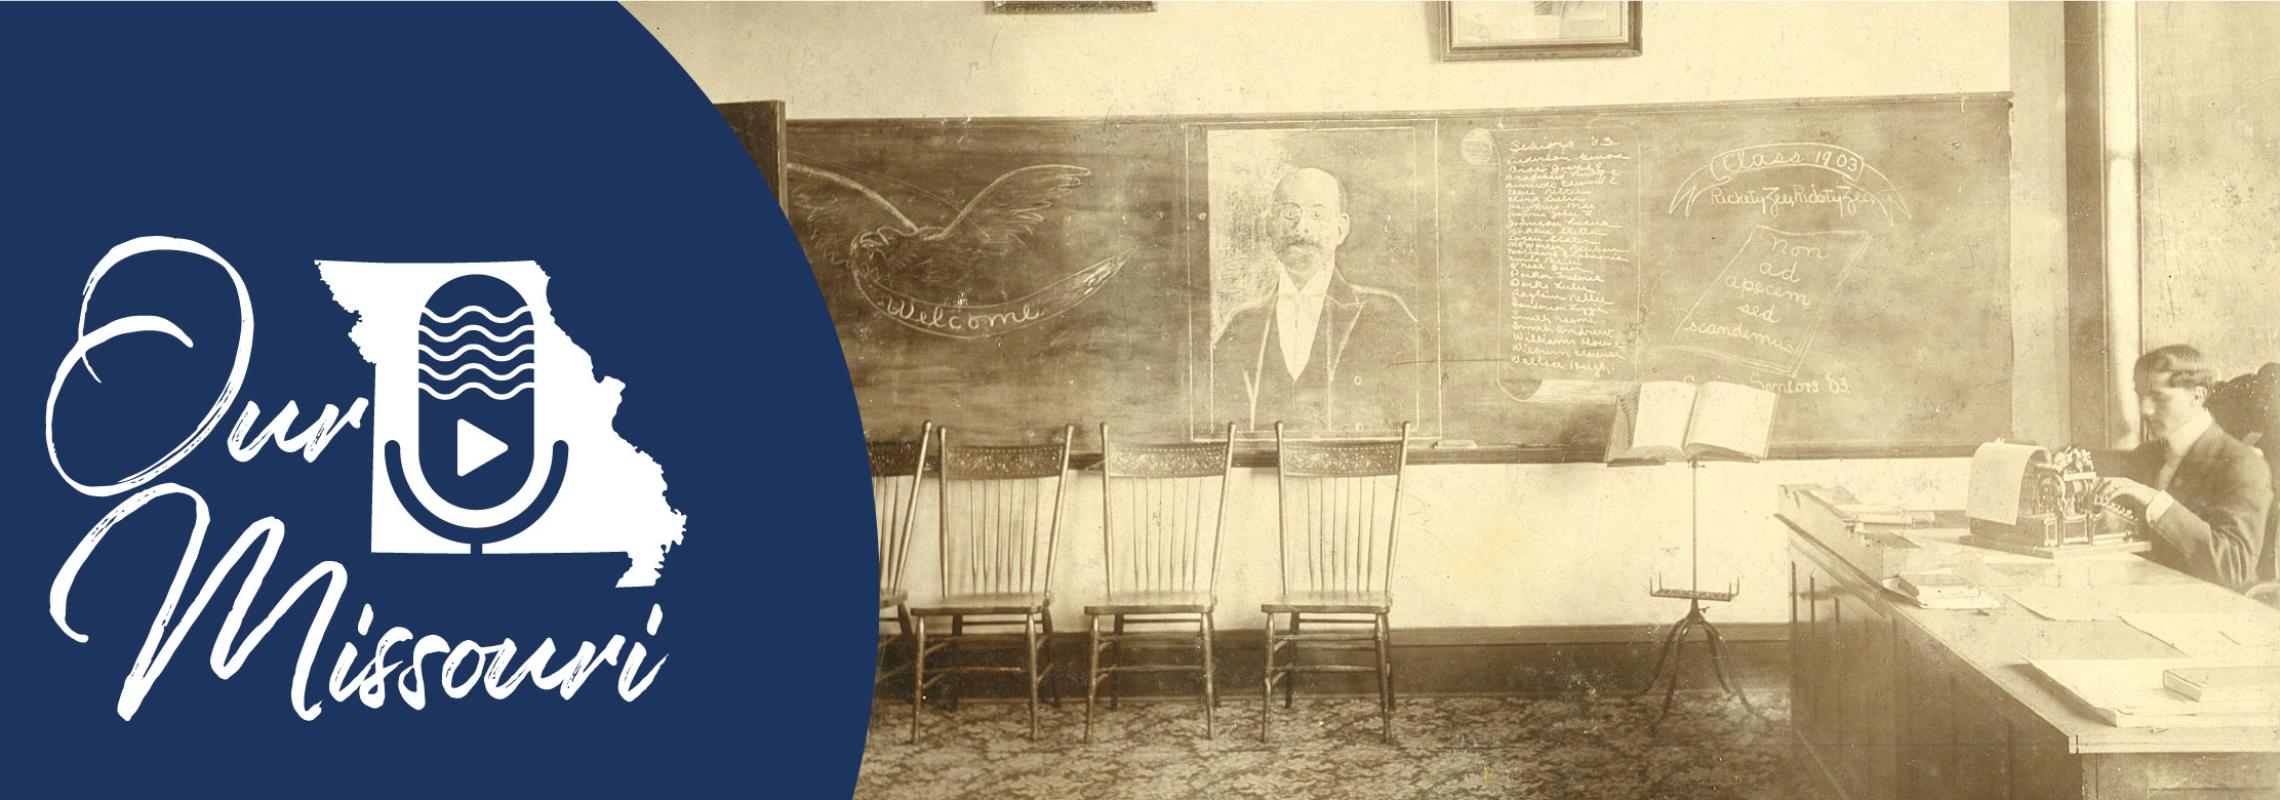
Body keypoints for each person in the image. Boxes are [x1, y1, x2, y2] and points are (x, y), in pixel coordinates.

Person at [1211, 167, 1420, 433]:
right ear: (1269, 226)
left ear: (1341, 229)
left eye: (1318, 214)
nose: (1302, 227)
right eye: (1290, 214)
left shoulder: (1388, 316)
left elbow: (1414, 420)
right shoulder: (1240, 326)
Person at [2096, 344, 2273, 592]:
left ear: (2197, 396)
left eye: (2158, 397)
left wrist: (2155, 502)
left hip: (2213, 611)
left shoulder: (2242, 464)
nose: (2145, 410)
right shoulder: (2148, 455)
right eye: (2141, 395)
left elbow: (2235, 567)